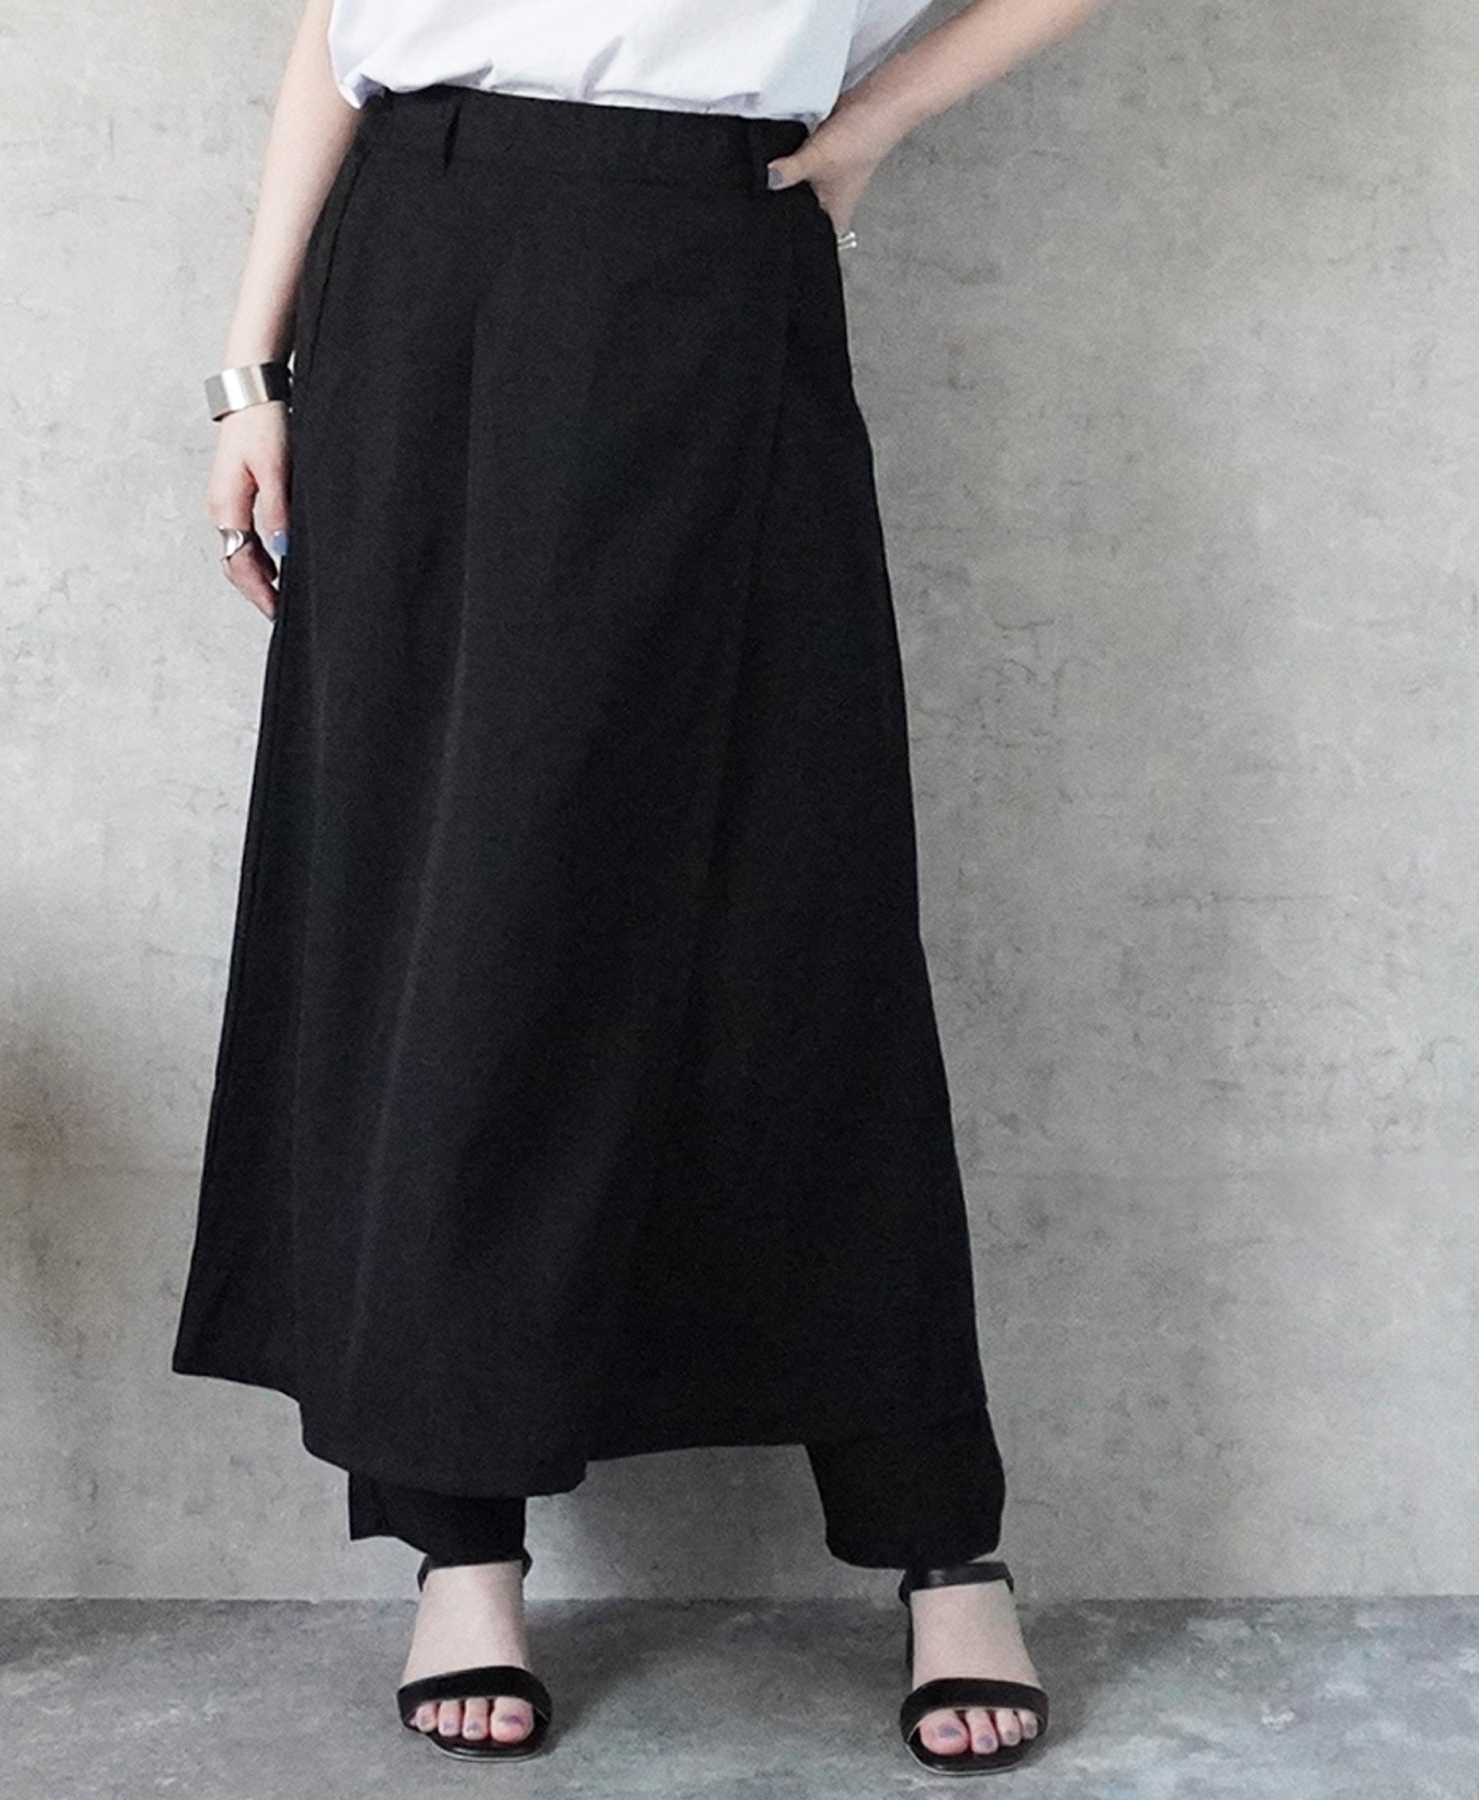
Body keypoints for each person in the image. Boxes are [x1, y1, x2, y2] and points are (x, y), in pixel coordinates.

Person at [172, 0, 1115, 1773]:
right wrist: (251, 371)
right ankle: (460, 1542)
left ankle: (942, 1538)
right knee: (444, 906)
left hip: (711, 253)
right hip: (421, 260)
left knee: (800, 910)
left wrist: (872, 122)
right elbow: (342, 25)